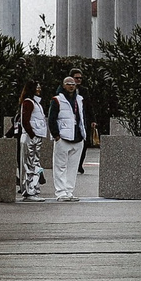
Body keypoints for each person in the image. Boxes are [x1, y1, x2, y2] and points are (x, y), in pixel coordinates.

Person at [47, 72, 92, 202]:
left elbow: (83, 117)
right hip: (63, 137)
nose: (71, 86)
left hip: (78, 137)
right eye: (68, 84)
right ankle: (61, 193)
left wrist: (84, 134)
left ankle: (69, 191)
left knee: (73, 167)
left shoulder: (80, 100)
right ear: (63, 85)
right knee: (60, 166)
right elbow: (51, 119)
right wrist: (56, 136)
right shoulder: (57, 100)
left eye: (73, 84)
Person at [14, 77, 49, 202]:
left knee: (34, 164)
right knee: (29, 164)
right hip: (31, 136)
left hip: (34, 136)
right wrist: (32, 134)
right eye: (37, 87)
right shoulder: (29, 102)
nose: (39, 89)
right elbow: (25, 121)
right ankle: (29, 191)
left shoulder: (34, 103)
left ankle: (33, 189)